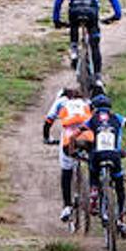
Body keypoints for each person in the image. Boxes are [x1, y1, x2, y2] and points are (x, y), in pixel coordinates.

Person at [65, 94, 126, 238]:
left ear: (94, 108)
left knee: (93, 171)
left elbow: (74, 136)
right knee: (119, 186)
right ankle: (121, 219)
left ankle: (94, 192)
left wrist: (72, 151)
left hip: (97, 156)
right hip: (114, 156)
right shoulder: (118, 118)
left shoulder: (92, 119)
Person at [51, 0, 122, 83]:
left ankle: (73, 48)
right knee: (95, 45)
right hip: (91, 12)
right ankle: (98, 77)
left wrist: (56, 20)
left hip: (75, 12)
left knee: (74, 22)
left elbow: (58, 1)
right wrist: (117, 14)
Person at [41, 85, 93, 225]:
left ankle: (67, 206)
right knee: (93, 162)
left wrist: (47, 138)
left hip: (69, 139)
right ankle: (96, 193)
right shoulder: (86, 102)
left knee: (66, 170)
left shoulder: (61, 102)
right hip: (87, 137)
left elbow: (48, 121)